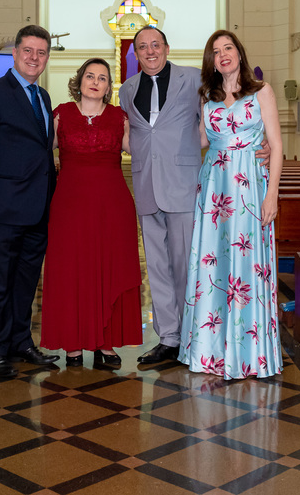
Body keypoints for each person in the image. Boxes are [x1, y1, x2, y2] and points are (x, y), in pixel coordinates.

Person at [179, 30, 283, 379]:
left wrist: (273, 194)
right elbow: (200, 141)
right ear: (210, 60)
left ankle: (249, 354)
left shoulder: (261, 92)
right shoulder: (207, 100)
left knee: (246, 263)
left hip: (250, 187)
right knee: (214, 265)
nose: (223, 54)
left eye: (228, 48)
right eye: (215, 51)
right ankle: (212, 352)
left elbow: (277, 146)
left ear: (239, 52)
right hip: (214, 188)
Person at [0, 25, 60, 379]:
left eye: (41, 53)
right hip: (2, 206)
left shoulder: (44, 97)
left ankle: (21, 341)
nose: (35, 58)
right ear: (15, 53)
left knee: (25, 281)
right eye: (28, 51)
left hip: (37, 207)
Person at [41, 59, 143, 368]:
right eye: (90, 76)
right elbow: (37, 151)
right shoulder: (60, 115)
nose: (95, 81)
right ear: (79, 80)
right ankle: (73, 344)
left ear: (109, 86)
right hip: (69, 205)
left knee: (108, 267)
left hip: (113, 206)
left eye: (102, 78)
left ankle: (106, 344)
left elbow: (145, 151)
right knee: (71, 270)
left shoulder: (119, 118)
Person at [119, 26, 203, 365]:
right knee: (158, 267)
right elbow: (134, 133)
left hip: (183, 183)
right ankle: (168, 339)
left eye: (155, 45)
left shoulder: (193, 78)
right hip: (146, 185)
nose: (150, 51)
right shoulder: (127, 89)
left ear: (167, 47)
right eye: (143, 47)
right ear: (135, 53)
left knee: (185, 265)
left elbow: (213, 121)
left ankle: (192, 337)